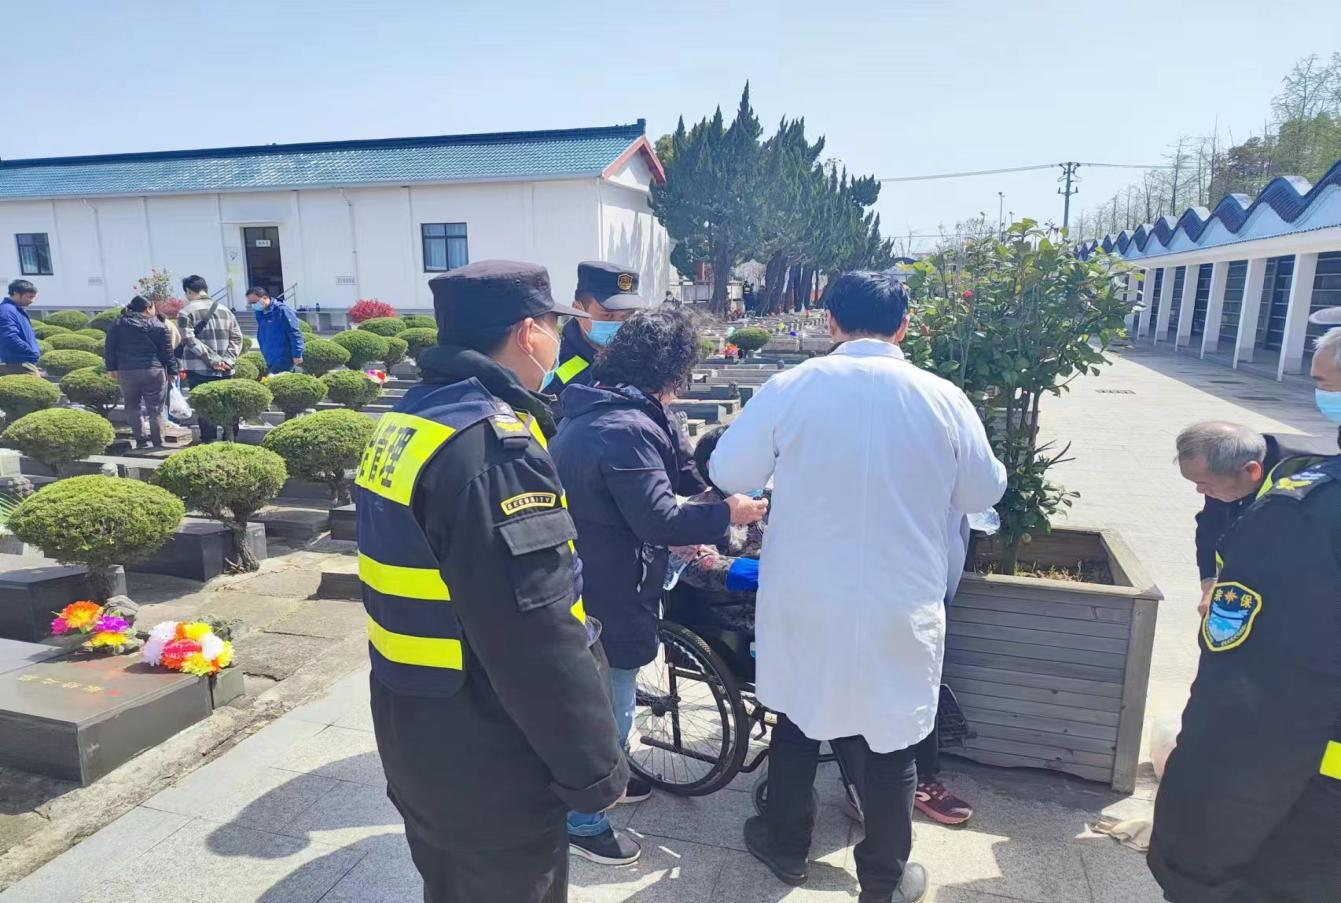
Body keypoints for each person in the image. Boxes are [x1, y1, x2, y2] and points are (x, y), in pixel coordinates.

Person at [710, 271, 1007, 903]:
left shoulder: (792, 387)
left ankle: (785, 845)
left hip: (807, 592)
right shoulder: (943, 397)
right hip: (902, 595)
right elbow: (982, 492)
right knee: (894, 736)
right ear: (905, 326)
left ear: (831, 322)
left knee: (798, 715)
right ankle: (884, 879)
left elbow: (729, 470)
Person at [357, 260, 627, 903]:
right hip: (489, 747)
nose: (558, 341)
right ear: (529, 332)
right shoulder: (491, 450)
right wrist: (596, 768)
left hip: (416, 723)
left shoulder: (411, 418)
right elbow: (534, 633)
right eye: (555, 327)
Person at [550, 308, 768, 865]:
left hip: (596, 572)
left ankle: (608, 781)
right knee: (613, 705)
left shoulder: (607, 407)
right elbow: (660, 519)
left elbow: (679, 475)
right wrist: (728, 513)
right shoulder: (625, 427)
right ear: (671, 369)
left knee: (602, 692)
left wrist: (719, 492)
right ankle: (583, 821)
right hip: (610, 584)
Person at [1147, 328, 1341, 902]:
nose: (1318, 395)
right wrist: (1212, 580)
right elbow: (1210, 526)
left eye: (1325, 383)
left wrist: (1187, 841)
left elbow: (1253, 694)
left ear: (1250, 472)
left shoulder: (1302, 509)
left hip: (1304, 787)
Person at [1176, 421, 1330, 615]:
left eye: (1204, 483)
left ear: (1251, 471)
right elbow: (1211, 525)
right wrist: (1210, 584)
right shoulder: (1232, 460)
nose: (1200, 490)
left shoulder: (1304, 489)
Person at [104, 295, 177, 449]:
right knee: (155, 409)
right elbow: (167, 352)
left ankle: (141, 441)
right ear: (149, 308)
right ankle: (158, 442)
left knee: (132, 406)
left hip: (127, 371)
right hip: (154, 371)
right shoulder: (159, 325)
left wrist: (111, 368)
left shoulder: (118, 324)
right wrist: (172, 371)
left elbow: (109, 348)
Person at [177, 275, 242, 443]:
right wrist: (227, 360)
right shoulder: (225, 310)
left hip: (199, 368)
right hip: (226, 369)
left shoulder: (186, 312)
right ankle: (231, 438)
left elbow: (189, 340)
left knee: (204, 405)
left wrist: (212, 360)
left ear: (189, 291)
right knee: (228, 404)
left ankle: (209, 441)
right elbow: (237, 338)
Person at [248, 286, 305, 374]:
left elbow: (294, 333)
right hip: (269, 356)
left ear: (265, 298)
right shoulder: (260, 312)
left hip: (284, 357)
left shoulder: (282, 310)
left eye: (254, 302)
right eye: (250, 303)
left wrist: (297, 354)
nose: (253, 305)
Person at [0, 279, 41, 375]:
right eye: (29, 297)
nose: (32, 301)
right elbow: (9, 337)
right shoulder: (6, 311)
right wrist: (30, 352)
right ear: (16, 293)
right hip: (18, 364)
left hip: (23, 362)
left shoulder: (16, 310)